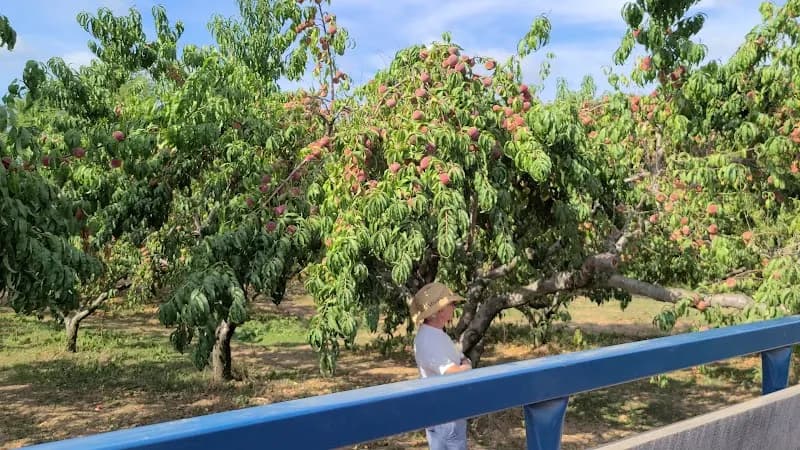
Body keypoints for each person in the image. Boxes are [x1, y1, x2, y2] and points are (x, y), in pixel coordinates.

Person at [410, 282, 473, 450]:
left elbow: (459, 358)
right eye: (451, 304)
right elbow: (454, 372)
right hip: (446, 414)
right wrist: (467, 366)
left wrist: (464, 362)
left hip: (442, 409)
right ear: (439, 311)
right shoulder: (430, 339)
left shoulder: (436, 334)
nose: (454, 307)